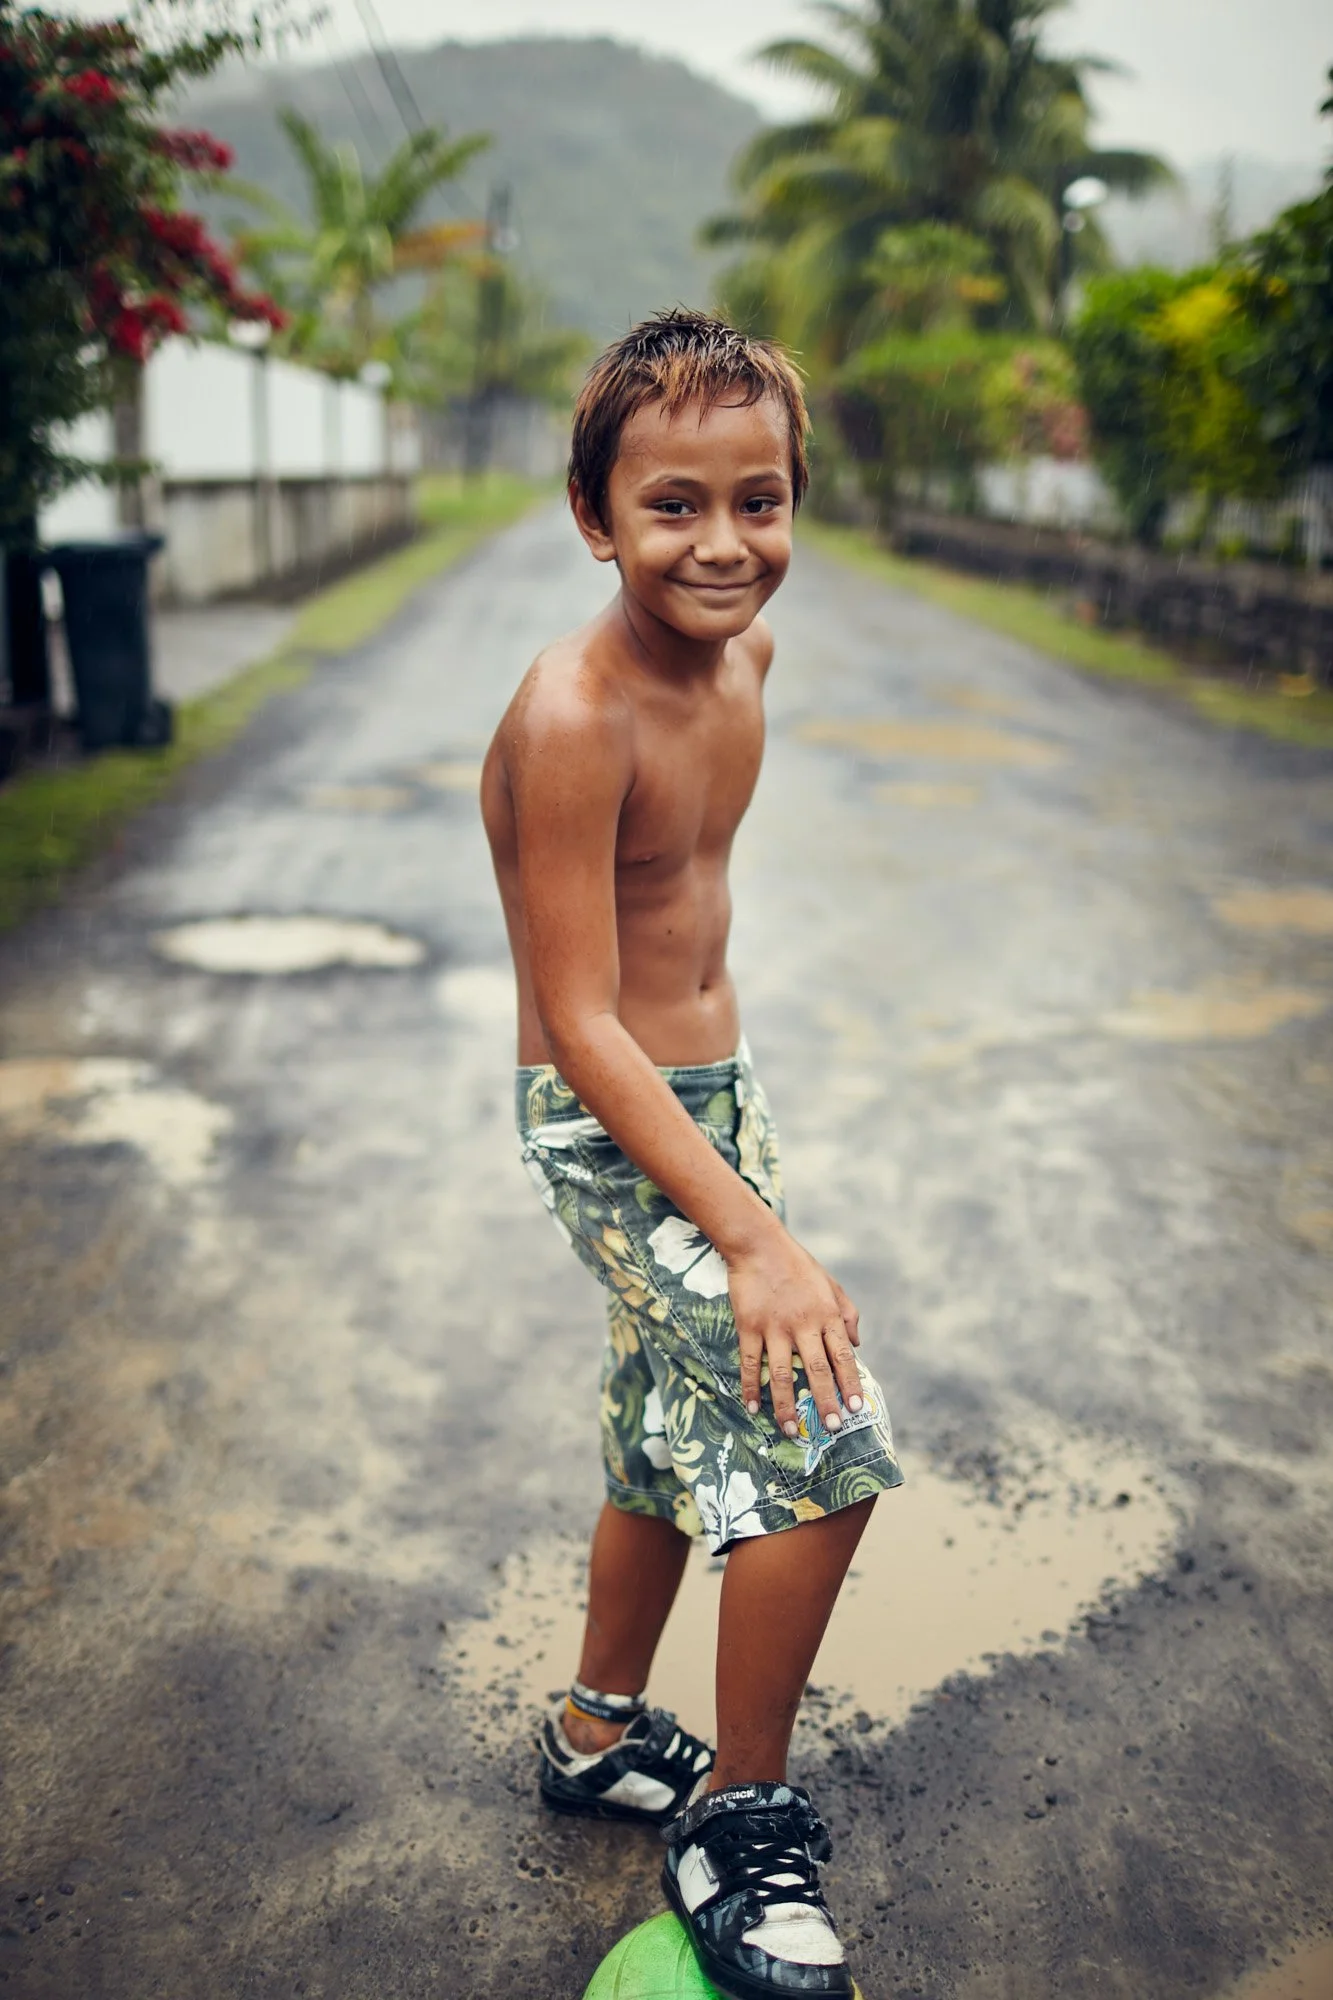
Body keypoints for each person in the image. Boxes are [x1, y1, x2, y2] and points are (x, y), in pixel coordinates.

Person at [481, 308, 902, 2000]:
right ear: (596, 518)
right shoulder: (573, 715)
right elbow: (583, 1018)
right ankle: (741, 1812)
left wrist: (736, 1161)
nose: (725, 545)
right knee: (820, 1426)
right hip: (609, 1118)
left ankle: (595, 1734)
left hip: (712, 1098)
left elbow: (693, 912)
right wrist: (751, 1237)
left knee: (668, 1430)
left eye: (761, 499)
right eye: (674, 507)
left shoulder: (747, 659)